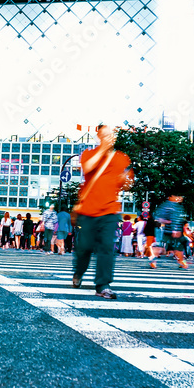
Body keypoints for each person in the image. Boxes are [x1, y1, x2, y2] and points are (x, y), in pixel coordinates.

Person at [72, 124, 133, 299]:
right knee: (84, 247)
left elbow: (128, 183)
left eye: (111, 135)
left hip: (110, 210)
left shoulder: (122, 158)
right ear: (99, 137)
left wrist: (126, 181)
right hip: (87, 210)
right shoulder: (89, 154)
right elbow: (88, 168)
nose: (109, 138)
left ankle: (103, 285)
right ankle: (78, 273)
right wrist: (103, 150)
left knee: (107, 246)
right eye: (105, 135)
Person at [153, 196, 189, 269]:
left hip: (168, 230)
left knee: (160, 245)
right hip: (175, 231)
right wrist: (175, 229)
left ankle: (152, 260)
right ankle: (182, 262)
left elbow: (158, 217)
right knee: (178, 248)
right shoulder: (175, 207)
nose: (180, 198)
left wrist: (165, 222)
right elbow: (176, 220)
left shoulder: (165, 205)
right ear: (172, 196)